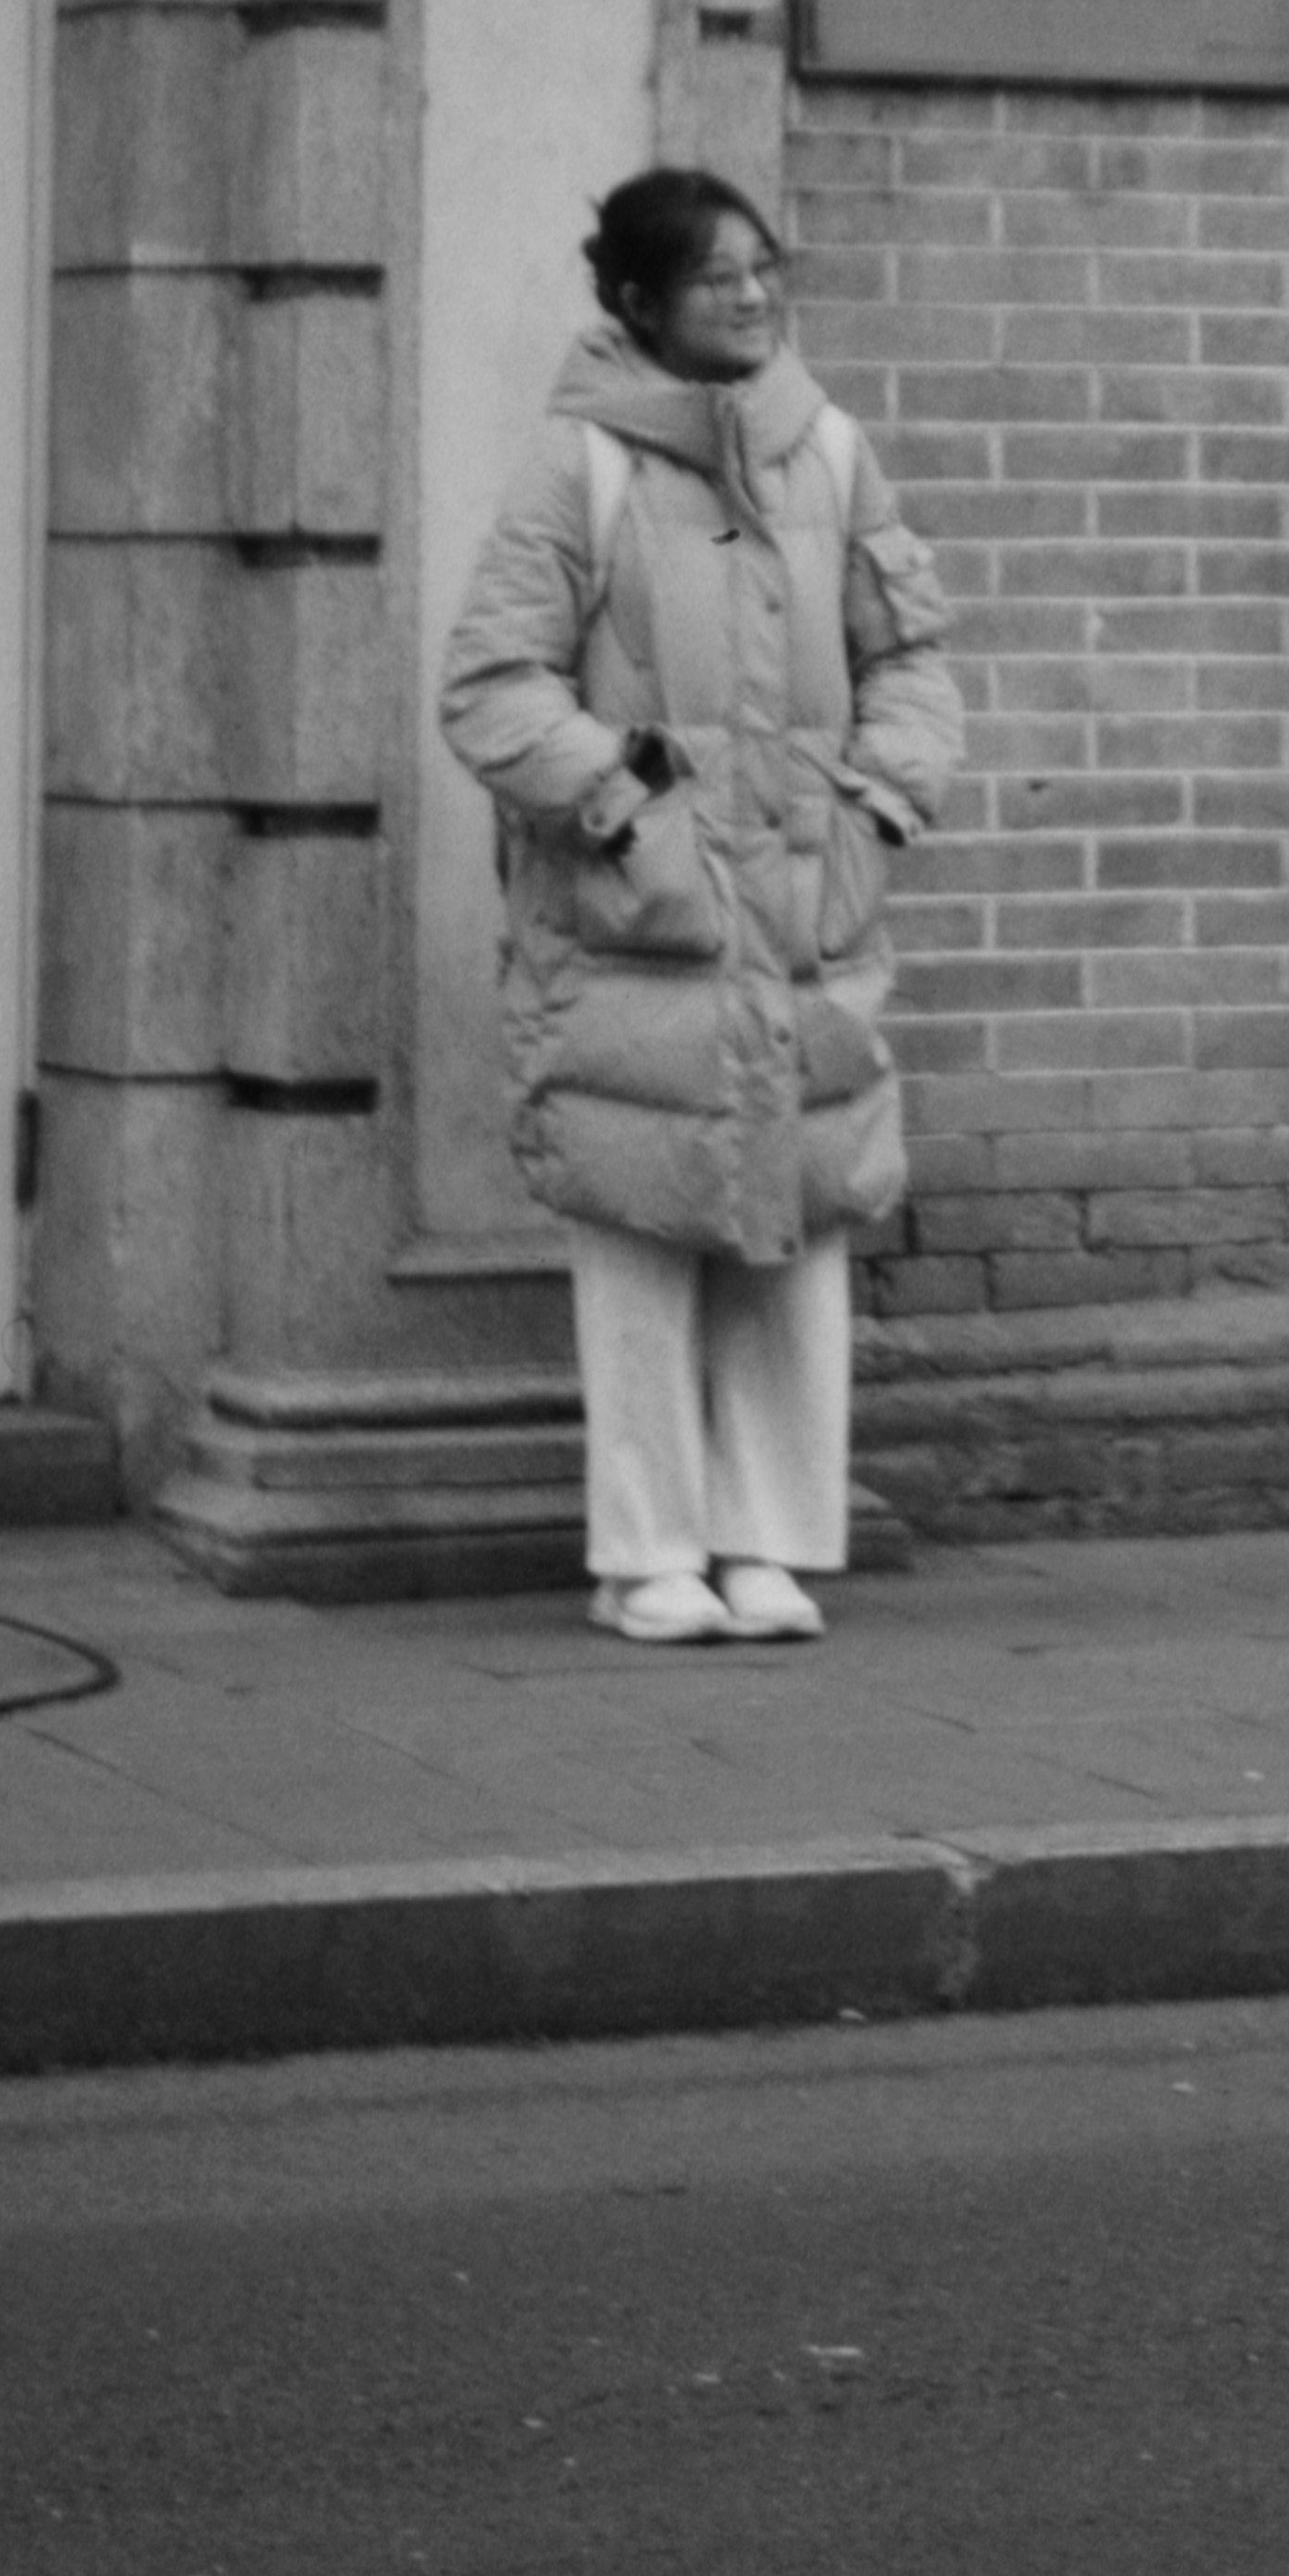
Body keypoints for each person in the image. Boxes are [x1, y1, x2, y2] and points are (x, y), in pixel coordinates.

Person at [441, 168, 967, 1648]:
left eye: (764, 268)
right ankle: (645, 1552)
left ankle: (769, 1541)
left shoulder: (834, 454)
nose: (752, 294)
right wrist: (621, 807)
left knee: (797, 1228)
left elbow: (913, 657)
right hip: (637, 925)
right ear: (636, 305)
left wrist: (879, 806)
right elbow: (491, 685)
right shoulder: (582, 470)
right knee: (639, 1230)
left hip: (806, 911)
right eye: (714, 276)